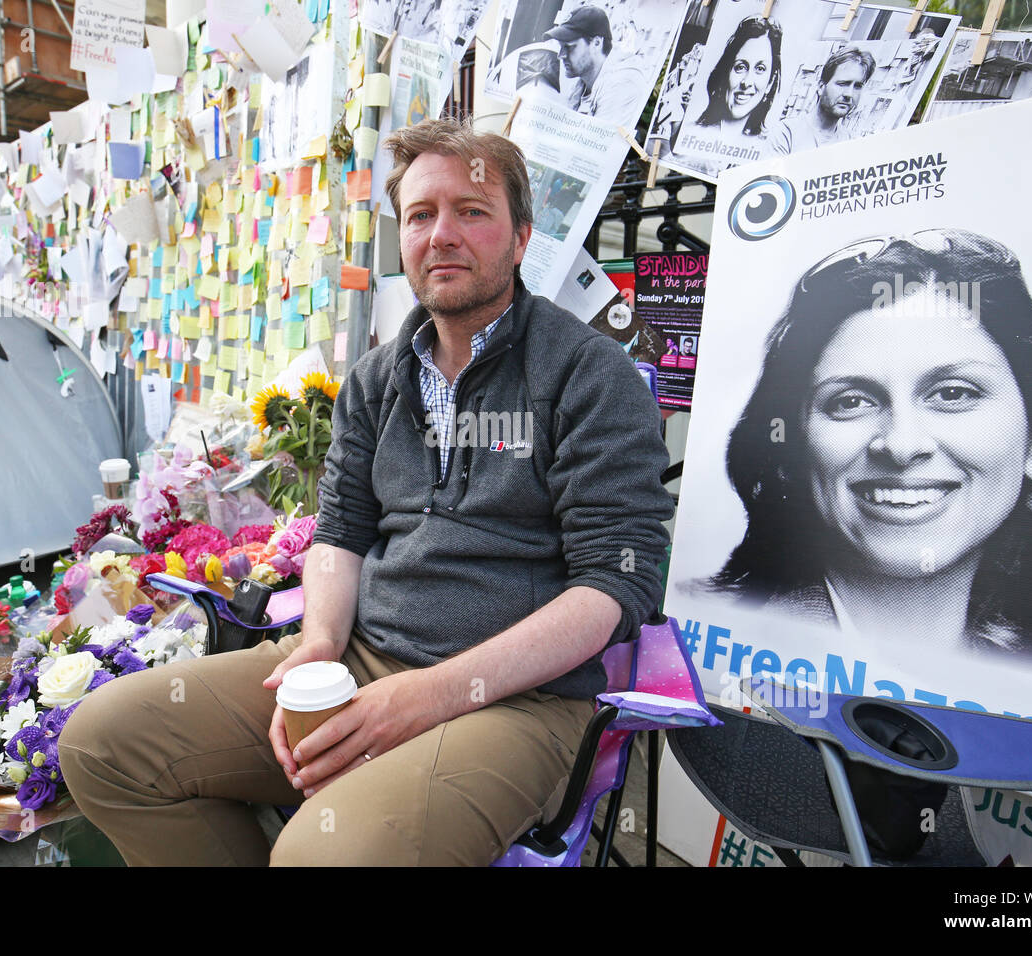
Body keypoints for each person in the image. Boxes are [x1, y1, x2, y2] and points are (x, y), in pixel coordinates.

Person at [57, 118, 673, 865]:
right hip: (360, 660)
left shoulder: (588, 375)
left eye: (471, 212)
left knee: (322, 857)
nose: (442, 234)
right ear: (403, 240)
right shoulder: (378, 381)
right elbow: (340, 532)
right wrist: (319, 645)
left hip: (517, 701)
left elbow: (616, 583)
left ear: (520, 240)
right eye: (420, 216)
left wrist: (430, 696)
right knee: (102, 746)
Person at [700, 229, 1032, 680]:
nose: (901, 445)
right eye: (850, 401)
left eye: (953, 393)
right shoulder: (700, 641)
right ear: (791, 446)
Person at [545, 5, 649, 127]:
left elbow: (598, 143)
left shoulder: (623, 82)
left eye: (569, 47)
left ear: (597, 43)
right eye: (561, 47)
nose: (561, 55)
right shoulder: (580, 80)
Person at [770, 47, 875, 156]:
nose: (849, 94)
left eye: (857, 86)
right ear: (821, 86)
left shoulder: (851, 143)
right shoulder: (786, 133)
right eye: (842, 84)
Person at [692, 17, 783, 139]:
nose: (747, 82)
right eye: (740, 67)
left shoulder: (769, 146)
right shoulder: (693, 131)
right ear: (726, 72)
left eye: (760, 69)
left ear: (770, 82)